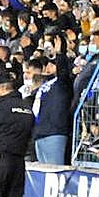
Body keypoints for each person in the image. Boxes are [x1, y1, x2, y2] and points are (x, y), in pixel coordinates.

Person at [30, 34, 73, 165]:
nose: (48, 66)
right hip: (39, 133)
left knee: (55, 170)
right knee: (43, 172)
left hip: (55, 132)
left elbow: (63, 72)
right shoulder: (45, 84)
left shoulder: (62, 83)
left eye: (52, 64)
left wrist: (59, 54)